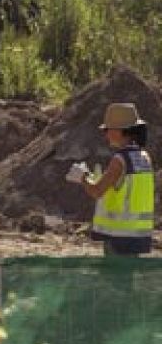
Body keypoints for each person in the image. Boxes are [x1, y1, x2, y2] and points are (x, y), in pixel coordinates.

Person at [66, 102, 154, 256]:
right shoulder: (144, 158)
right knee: (127, 278)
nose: (105, 134)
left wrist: (82, 177)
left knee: (115, 279)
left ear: (120, 131)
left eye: (107, 129)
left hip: (119, 237)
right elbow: (123, 189)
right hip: (138, 235)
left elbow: (96, 191)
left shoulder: (119, 160)